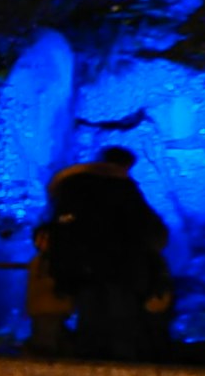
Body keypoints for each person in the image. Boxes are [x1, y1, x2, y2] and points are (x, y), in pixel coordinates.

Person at [37, 146, 172, 356]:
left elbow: (56, 226)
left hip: (82, 269)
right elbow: (150, 230)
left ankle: (87, 373)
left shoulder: (70, 186)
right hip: (121, 269)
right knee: (121, 329)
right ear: (125, 164)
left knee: (90, 324)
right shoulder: (122, 188)